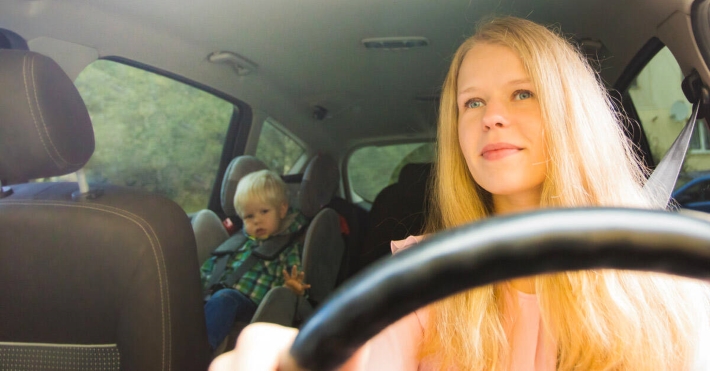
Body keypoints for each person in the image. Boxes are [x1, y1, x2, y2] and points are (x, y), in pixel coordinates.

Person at [209, 16, 710, 370]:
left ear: (571, 112)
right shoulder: (423, 273)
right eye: (472, 102)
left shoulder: (666, 268)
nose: (491, 116)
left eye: (523, 93)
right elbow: (372, 356)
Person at [201, 169, 311, 351]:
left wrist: (292, 288)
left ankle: (198, 353)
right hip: (219, 299)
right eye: (249, 216)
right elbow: (207, 271)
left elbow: (295, 286)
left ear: (282, 209)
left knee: (225, 298)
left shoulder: (287, 249)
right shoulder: (236, 243)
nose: (257, 221)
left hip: (253, 308)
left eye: (264, 211)